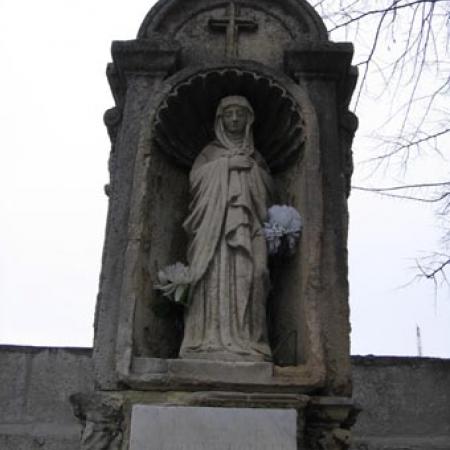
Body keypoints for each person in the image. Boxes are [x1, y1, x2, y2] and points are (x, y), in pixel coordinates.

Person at [179, 96, 273, 362]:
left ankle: (250, 340)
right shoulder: (209, 153)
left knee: (257, 273)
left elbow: (269, 192)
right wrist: (226, 165)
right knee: (212, 278)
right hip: (214, 232)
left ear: (248, 119)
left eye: (239, 114)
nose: (234, 119)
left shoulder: (256, 157)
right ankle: (209, 339)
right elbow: (195, 182)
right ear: (220, 120)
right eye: (229, 114)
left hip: (249, 228)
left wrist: (252, 171)